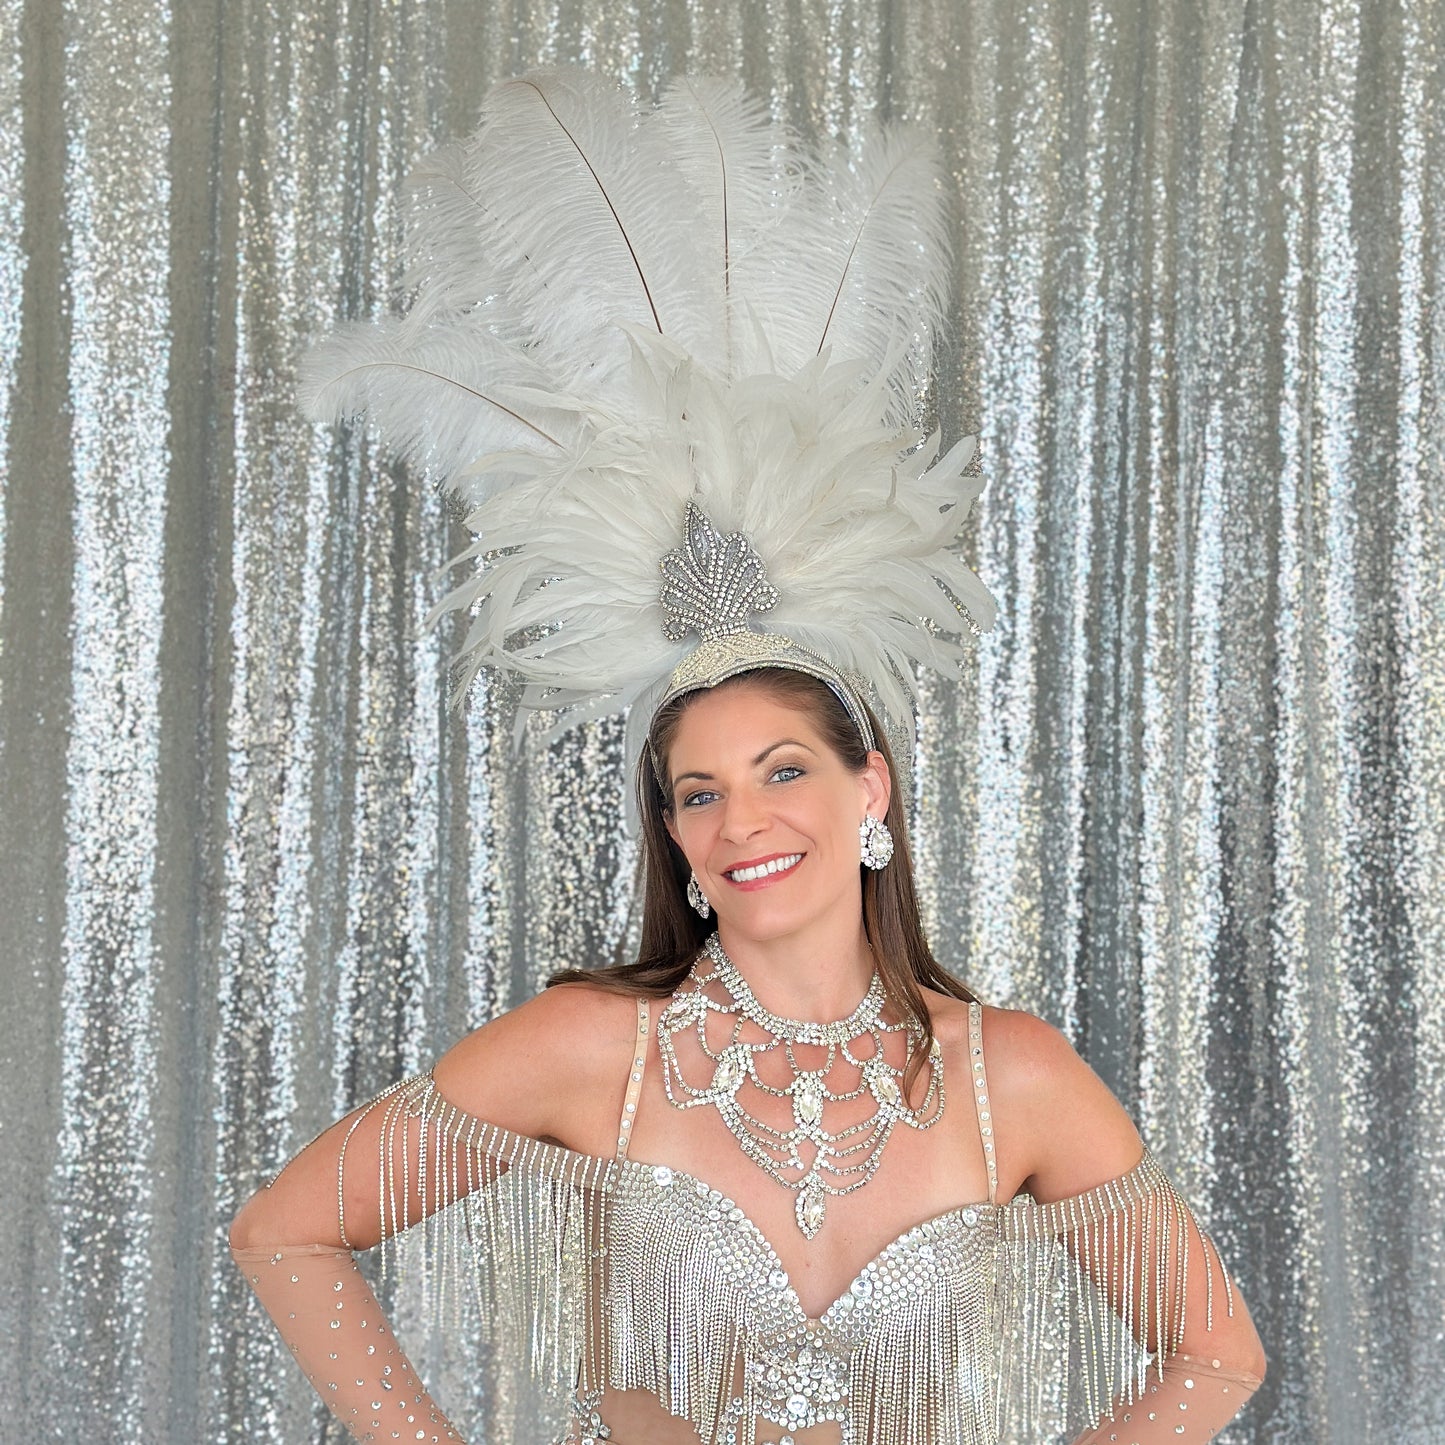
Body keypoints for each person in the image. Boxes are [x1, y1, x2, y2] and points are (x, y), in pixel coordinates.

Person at [229, 70, 1266, 1444]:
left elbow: (1215, 1354)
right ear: (672, 835)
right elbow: (285, 1230)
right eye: (696, 792)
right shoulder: (593, 1047)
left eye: (783, 768)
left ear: (869, 789)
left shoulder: (1002, 1073)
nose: (739, 817)